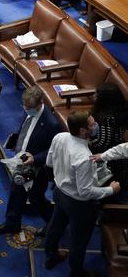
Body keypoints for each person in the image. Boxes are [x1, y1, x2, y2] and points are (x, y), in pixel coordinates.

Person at [43, 110, 121, 276]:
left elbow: (49, 162)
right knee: (78, 240)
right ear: (83, 131)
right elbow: (85, 192)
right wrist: (111, 190)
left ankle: (51, 255)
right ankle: (77, 271)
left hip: (59, 192)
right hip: (79, 205)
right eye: (92, 125)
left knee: (55, 226)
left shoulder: (60, 137)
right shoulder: (84, 156)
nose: (96, 126)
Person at [0, 86, 59, 235]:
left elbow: (53, 151)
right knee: (16, 192)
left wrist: (35, 158)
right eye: (25, 106)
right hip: (22, 161)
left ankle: (53, 223)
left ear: (40, 103)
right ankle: (12, 223)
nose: (26, 109)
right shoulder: (29, 110)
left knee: (36, 198)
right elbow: (26, 131)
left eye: (29, 107)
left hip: (37, 168)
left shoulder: (51, 124)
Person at [89, 83, 128, 199]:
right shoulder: (121, 111)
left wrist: (88, 140)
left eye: (97, 94)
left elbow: (103, 142)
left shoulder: (108, 118)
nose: (94, 96)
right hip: (117, 151)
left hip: (109, 157)